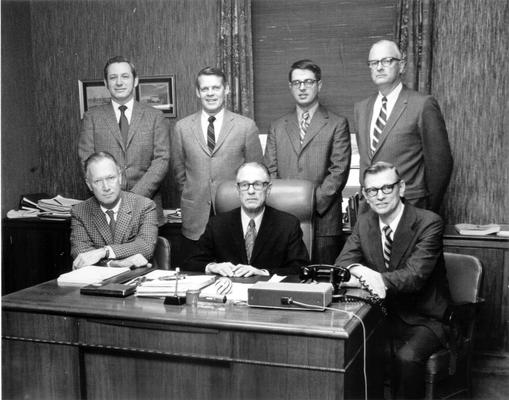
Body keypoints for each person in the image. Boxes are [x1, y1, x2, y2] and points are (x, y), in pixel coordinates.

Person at [335, 161, 451, 399]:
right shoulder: (365, 223)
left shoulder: (429, 222)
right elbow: (341, 266)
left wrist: (367, 278)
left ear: (401, 188)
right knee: (352, 350)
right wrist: (358, 269)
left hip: (425, 318)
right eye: (372, 191)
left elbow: (414, 277)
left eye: (387, 188)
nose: (380, 196)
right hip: (382, 315)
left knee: (406, 358)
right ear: (365, 195)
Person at [264, 59, 351, 264]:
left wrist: (310, 205)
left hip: (324, 220)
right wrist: (286, 207)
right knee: (286, 282)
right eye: (297, 83)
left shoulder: (337, 123)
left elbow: (338, 171)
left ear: (319, 85)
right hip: (283, 220)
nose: (302, 88)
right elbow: (270, 171)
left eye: (308, 82)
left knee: (323, 283)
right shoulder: (277, 126)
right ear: (290, 87)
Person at [171, 66, 264, 258]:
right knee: (196, 274)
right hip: (195, 219)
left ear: (226, 89)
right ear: (198, 92)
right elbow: (180, 174)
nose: (210, 93)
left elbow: (257, 174)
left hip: (234, 215)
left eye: (216, 88)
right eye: (205, 89)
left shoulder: (246, 126)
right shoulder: (182, 128)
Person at [354, 40, 453, 213]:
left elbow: (440, 164)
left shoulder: (422, 105)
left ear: (401, 66)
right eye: (374, 63)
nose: (379, 67)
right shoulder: (361, 108)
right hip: (369, 212)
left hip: (411, 209)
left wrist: (426, 211)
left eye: (386, 61)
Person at [78, 56, 170, 225]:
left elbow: (162, 161)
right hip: (105, 211)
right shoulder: (92, 117)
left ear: (135, 81)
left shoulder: (155, 116)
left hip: (146, 209)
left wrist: (132, 199)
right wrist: (113, 198)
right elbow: (86, 162)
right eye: (113, 77)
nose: (119, 82)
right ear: (106, 83)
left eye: (125, 76)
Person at [184, 162, 309, 277]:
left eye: (257, 185)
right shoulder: (218, 224)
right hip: (229, 294)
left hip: (267, 296)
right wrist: (213, 267)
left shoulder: (287, 224)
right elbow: (190, 261)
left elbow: (301, 268)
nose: (250, 191)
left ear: (268, 189)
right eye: (244, 185)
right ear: (238, 190)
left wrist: (263, 272)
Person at [71, 152, 158, 270]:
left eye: (111, 178)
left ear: (120, 177)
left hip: (138, 278)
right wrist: (115, 264)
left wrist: (105, 252)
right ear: (89, 184)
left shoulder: (144, 206)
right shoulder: (80, 211)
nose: (106, 187)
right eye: (98, 181)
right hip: (98, 283)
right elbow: (81, 255)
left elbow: (145, 247)